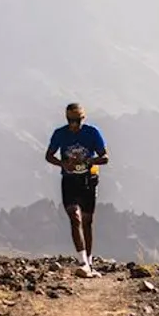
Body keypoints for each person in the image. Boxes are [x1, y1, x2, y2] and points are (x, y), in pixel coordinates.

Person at [45, 102, 108, 276]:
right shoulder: (60, 134)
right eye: (70, 120)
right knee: (74, 217)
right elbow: (48, 155)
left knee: (87, 221)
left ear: (83, 118)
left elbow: (105, 157)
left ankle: (89, 261)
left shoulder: (92, 133)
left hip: (88, 180)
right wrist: (63, 164)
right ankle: (82, 262)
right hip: (69, 180)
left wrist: (90, 161)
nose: (74, 124)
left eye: (77, 120)